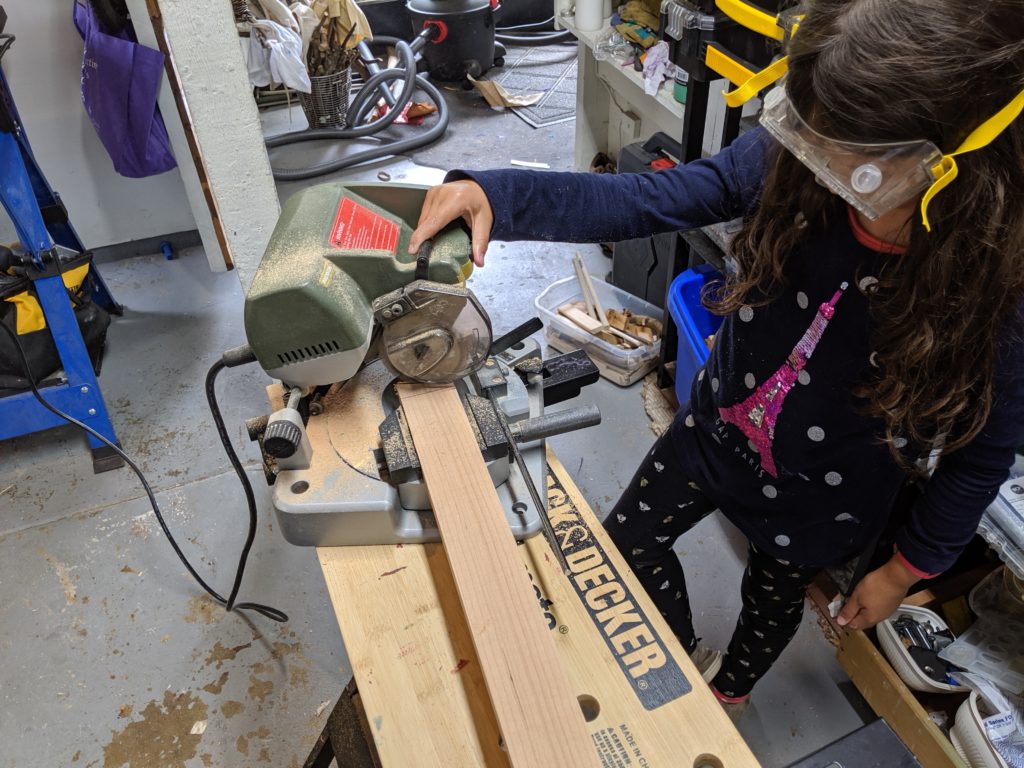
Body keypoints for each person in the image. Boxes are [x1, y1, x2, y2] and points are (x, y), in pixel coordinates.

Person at [408, 0, 1024, 719]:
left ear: (948, 168)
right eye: (810, 138)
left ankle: (729, 689)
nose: (815, 164)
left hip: (829, 496)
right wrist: (495, 192)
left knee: (769, 606)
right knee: (625, 549)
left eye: (846, 163)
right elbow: (649, 198)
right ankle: (684, 656)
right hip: (714, 431)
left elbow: (983, 454)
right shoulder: (793, 160)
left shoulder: (995, 288)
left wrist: (908, 568)